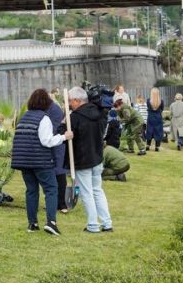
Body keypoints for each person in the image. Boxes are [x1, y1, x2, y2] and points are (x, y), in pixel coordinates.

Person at [11, 89, 71, 236]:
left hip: (24, 161)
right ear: (46, 103)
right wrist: (64, 137)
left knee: (31, 191)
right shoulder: (44, 119)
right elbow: (47, 141)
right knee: (51, 189)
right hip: (41, 161)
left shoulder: (24, 117)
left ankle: (32, 223)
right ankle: (51, 223)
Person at [67, 87, 113, 233]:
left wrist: (63, 125)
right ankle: (107, 223)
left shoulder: (75, 117)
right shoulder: (100, 113)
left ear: (77, 100)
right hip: (97, 157)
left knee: (86, 193)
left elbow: (64, 134)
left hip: (83, 159)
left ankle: (93, 224)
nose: (69, 104)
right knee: (97, 190)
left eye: (70, 101)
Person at [47, 90, 70, 216]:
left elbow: (55, 128)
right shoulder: (50, 108)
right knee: (55, 175)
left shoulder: (53, 110)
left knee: (59, 175)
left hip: (57, 144)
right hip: (54, 144)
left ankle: (61, 203)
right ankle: (56, 203)